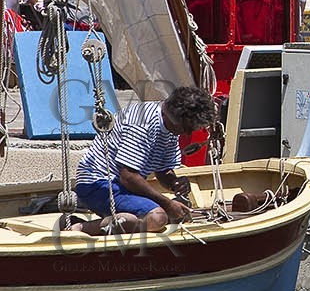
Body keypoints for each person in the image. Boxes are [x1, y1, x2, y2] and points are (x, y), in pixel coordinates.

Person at [67, 86, 217, 234]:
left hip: (122, 187)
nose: (188, 133)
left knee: (177, 214)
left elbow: (163, 171)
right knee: (158, 218)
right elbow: (128, 177)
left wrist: (174, 183)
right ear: (176, 116)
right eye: (187, 127)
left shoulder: (171, 127)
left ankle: (121, 221)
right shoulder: (142, 123)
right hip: (98, 185)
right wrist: (167, 203)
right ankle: (80, 228)